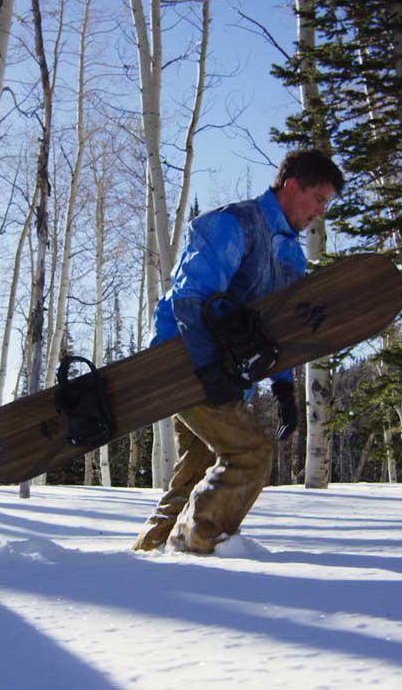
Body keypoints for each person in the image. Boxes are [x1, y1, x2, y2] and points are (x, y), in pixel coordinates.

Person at [133, 149, 343, 554]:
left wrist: (283, 388)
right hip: (183, 362)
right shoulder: (234, 224)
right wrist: (207, 370)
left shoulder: (291, 255)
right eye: (318, 199)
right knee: (249, 453)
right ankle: (196, 543)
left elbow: (278, 327)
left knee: (195, 472)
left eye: (326, 204)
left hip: (227, 376)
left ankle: (145, 558)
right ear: (292, 185)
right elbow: (190, 298)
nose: (320, 211)